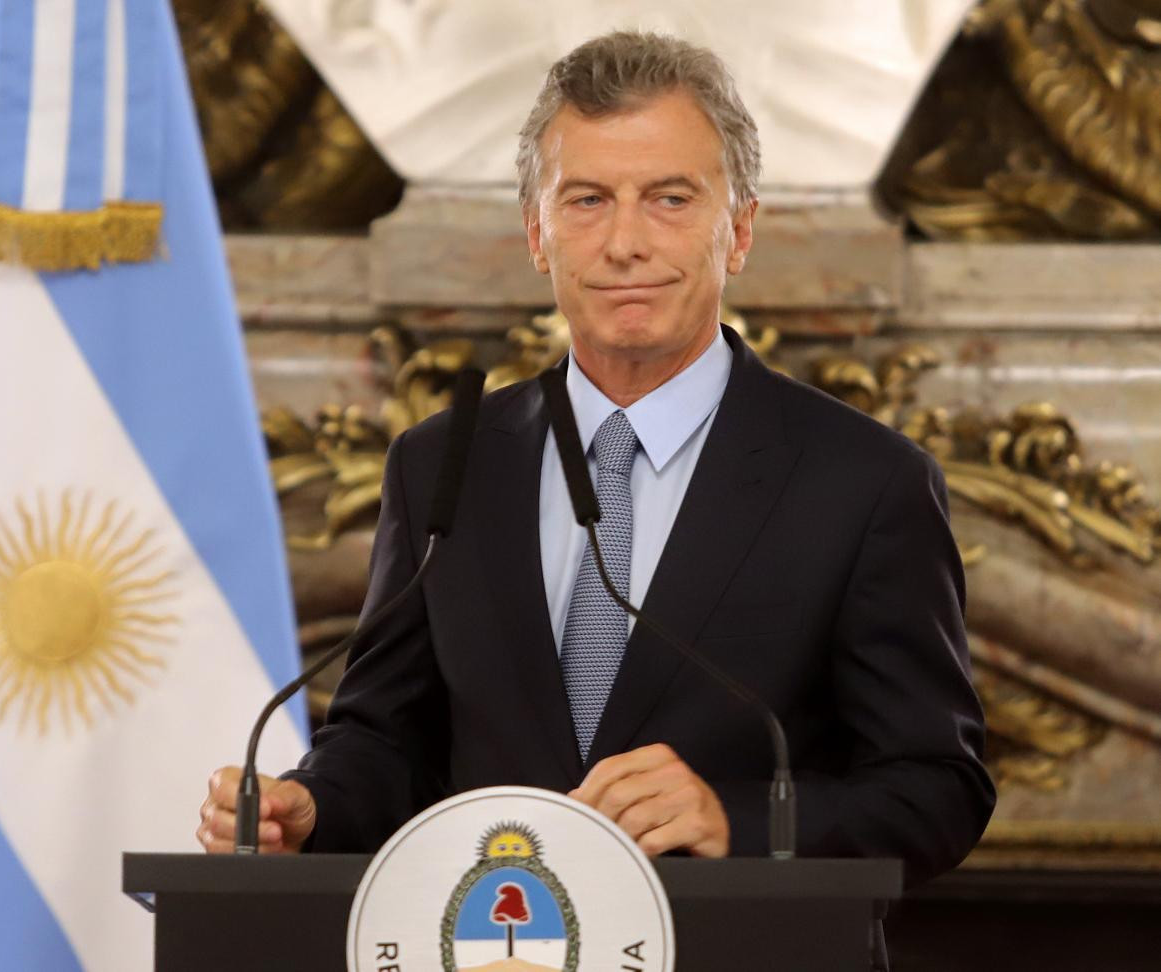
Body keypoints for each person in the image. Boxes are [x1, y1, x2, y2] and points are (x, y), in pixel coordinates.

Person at [199, 31, 993, 892]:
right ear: (538, 234)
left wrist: (740, 819)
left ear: (741, 230)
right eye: (586, 200)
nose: (625, 243)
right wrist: (314, 809)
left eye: (670, 198)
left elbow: (936, 790)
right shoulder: (444, 463)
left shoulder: (865, 482)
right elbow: (386, 742)